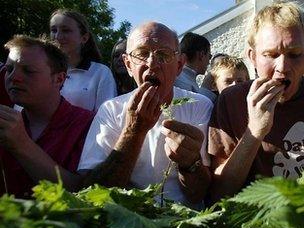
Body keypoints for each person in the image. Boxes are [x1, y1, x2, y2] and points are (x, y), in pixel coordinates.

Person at [208, 2, 304, 202]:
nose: (282, 67)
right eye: (270, 55)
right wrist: (255, 132)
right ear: (252, 56)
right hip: (254, 223)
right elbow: (219, 192)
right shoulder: (232, 100)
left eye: (294, 54)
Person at [78, 22, 213, 209]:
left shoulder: (199, 106)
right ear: (128, 64)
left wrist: (190, 163)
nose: (152, 63)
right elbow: (92, 191)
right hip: (128, 218)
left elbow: (200, 194)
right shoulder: (111, 110)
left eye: (163, 55)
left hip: (184, 220)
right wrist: (134, 130)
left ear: (179, 65)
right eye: (141, 54)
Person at [0, 35, 94, 197]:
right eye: (9, 69)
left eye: (28, 71)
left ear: (59, 79)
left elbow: (83, 194)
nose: (13, 77)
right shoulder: (6, 121)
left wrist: (21, 145)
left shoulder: (88, 124)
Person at [50, 9, 117, 111]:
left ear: (84, 38)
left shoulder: (101, 73)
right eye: (54, 30)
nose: (58, 36)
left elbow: (106, 118)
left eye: (66, 30)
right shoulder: (40, 69)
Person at [174, 32, 216, 102]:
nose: (209, 62)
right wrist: (207, 82)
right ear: (201, 55)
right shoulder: (181, 82)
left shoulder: (184, 78)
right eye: (209, 57)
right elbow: (193, 108)